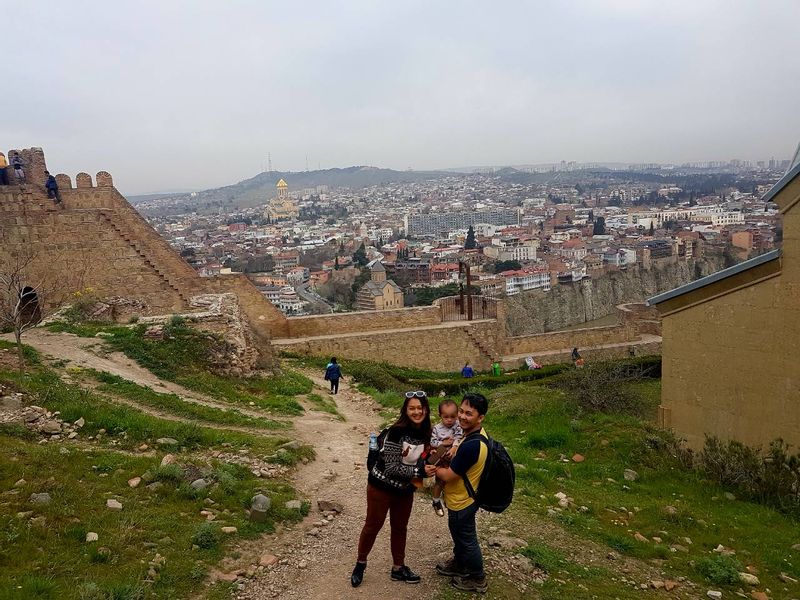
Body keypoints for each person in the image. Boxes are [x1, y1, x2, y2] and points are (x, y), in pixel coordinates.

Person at [351, 390, 431, 588]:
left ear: (426, 410)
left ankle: (398, 567)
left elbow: (425, 457)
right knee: (373, 526)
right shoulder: (396, 431)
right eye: (412, 408)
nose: (416, 412)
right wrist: (420, 471)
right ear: (405, 410)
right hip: (381, 487)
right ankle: (360, 564)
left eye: (420, 408)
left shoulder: (427, 432)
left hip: (405, 490)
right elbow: (392, 468)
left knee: (400, 528)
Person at [426, 392, 490, 593]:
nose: (462, 416)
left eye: (468, 413)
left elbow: (448, 475)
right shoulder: (471, 435)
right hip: (458, 499)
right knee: (459, 535)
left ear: (480, 418)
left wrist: (433, 469)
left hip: (464, 501)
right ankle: (461, 565)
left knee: (467, 539)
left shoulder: (471, 445)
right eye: (461, 411)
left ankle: (477, 578)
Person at [428, 399, 463, 517]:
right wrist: (443, 443)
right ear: (440, 416)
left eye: (453, 417)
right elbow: (432, 441)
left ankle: (450, 499)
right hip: (441, 457)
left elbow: (459, 437)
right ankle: (436, 500)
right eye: (446, 417)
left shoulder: (458, 425)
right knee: (440, 481)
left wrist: (453, 448)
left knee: (454, 478)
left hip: (453, 456)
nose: (449, 420)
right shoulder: (437, 428)